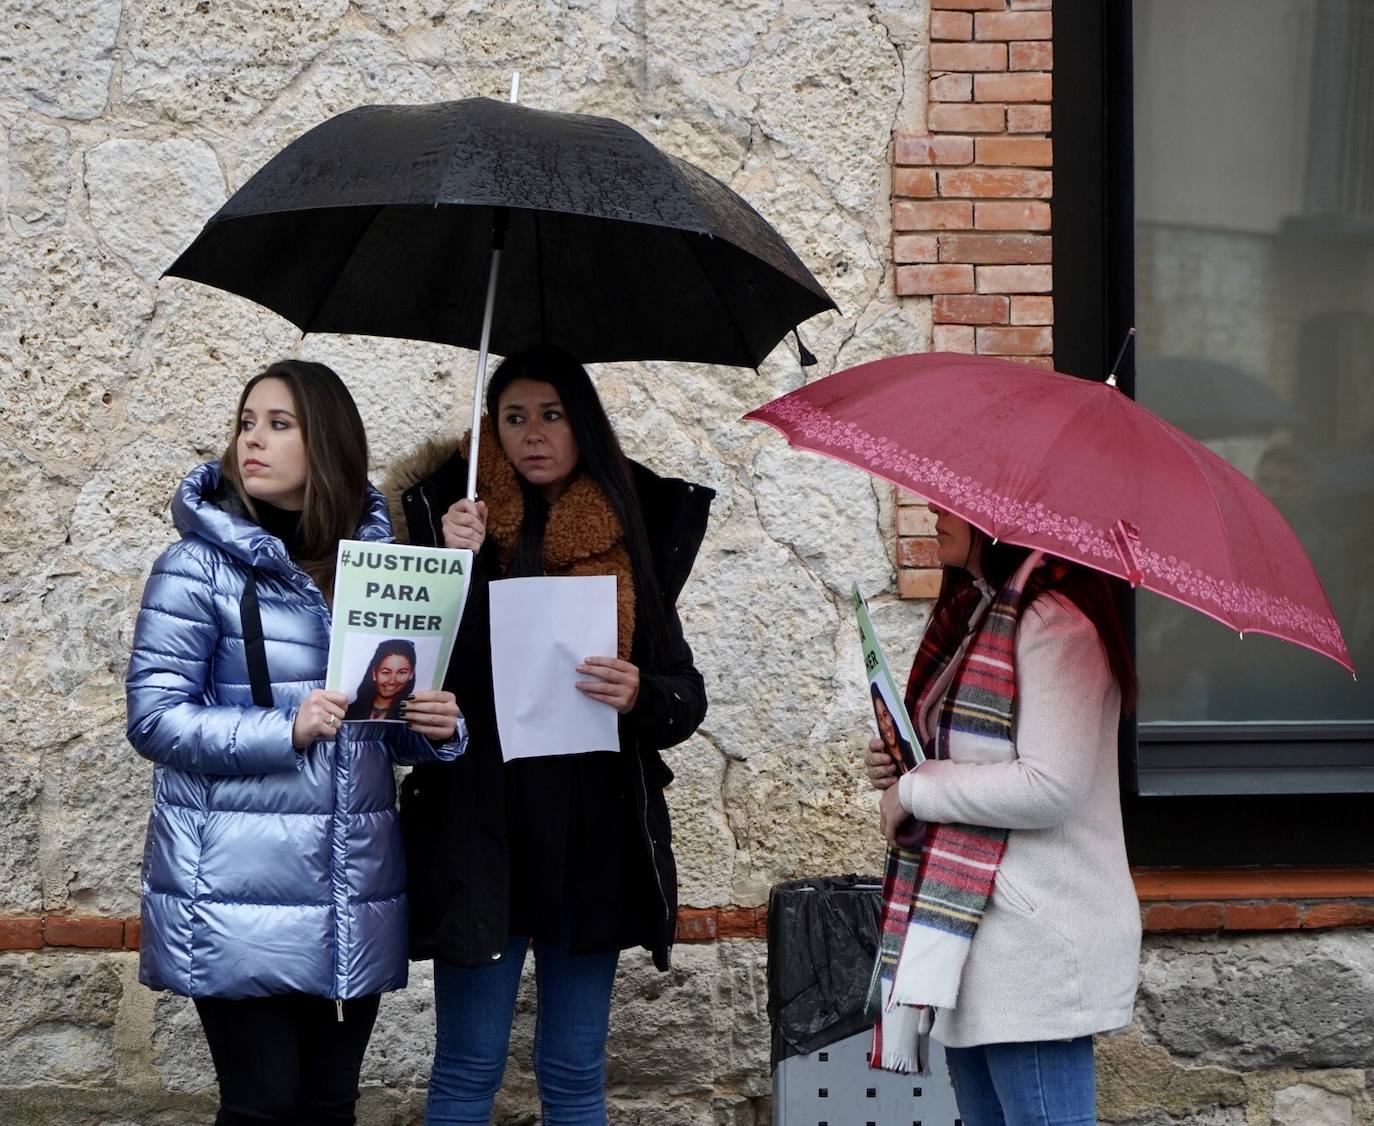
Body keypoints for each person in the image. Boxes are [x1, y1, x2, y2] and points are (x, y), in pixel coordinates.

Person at [126, 360, 466, 1126]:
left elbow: (377, 732)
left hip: (350, 884)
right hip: (236, 885)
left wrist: (436, 727)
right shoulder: (195, 569)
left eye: (280, 425)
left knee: (328, 1106)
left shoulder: (376, 572)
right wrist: (287, 728)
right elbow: (154, 718)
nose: (254, 441)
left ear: (329, 446)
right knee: (262, 1105)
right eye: (248, 422)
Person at [383, 346, 712, 1125]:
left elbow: (684, 696)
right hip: (482, 835)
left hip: (591, 839)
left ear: (582, 424)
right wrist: (446, 560)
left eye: (552, 415)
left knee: (573, 1072)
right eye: (514, 417)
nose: (533, 434)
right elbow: (407, 680)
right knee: (468, 1067)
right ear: (490, 430)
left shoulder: (632, 537)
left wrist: (640, 694)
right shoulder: (450, 523)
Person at [863, 503, 1140, 1126]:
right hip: (971, 927)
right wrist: (906, 766)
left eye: (953, 502)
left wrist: (917, 792)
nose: (933, 509)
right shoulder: (980, 614)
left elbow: (1050, 786)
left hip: (1034, 942)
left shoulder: (1053, 624)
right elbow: (967, 760)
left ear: (999, 519)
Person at [344, 638, 418, 721]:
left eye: (401, 672)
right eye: (386, 672)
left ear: (411, 674)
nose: (392, 681)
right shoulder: (348, 711)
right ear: (374, 673)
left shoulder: (417, 717)